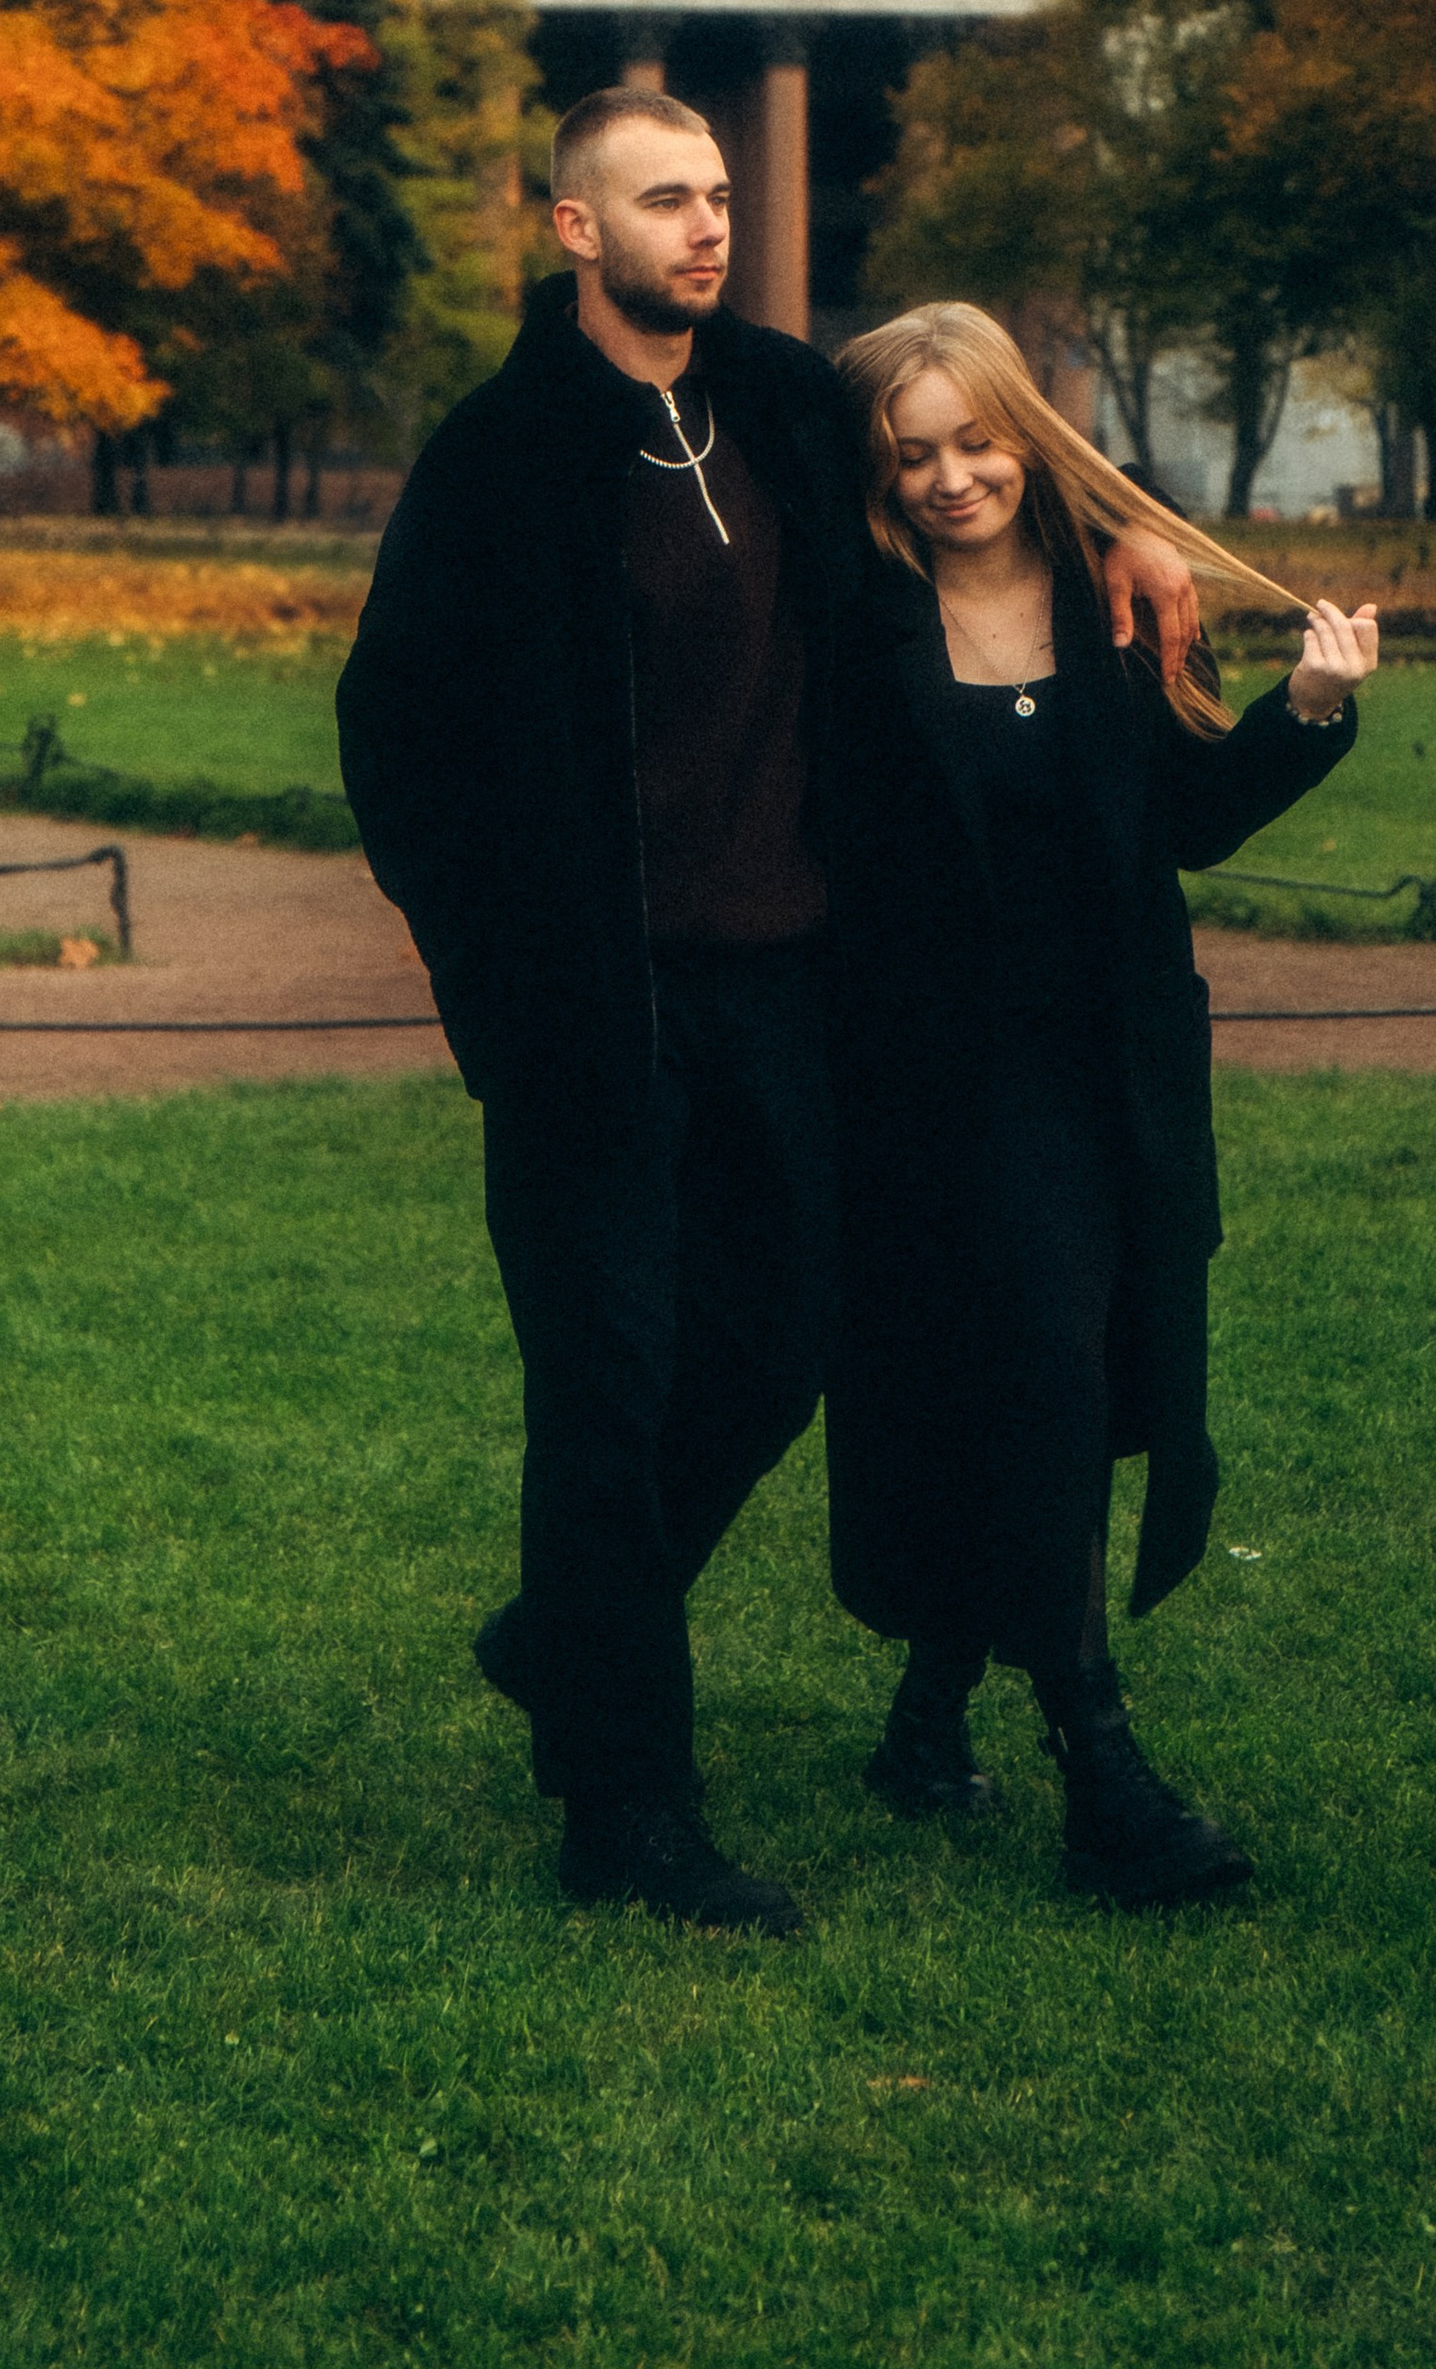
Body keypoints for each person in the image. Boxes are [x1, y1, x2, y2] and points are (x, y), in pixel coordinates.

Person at [335, 93, 1201, 1936]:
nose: (707, 227)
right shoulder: (502, 459)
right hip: (597, 1022)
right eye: (666, 201)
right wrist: (499, 987)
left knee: (780, 1348)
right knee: (609, 1386)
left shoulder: (785, 405)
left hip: (793, 988)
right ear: (577, 231)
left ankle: (570, 1631)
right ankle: (626, 1817)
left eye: (720, 196)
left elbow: (968, 435)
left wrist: (1130, 532)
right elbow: (393, 740)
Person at [826, 303, 1376, 1908]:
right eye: (912, 453)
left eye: (978, 441)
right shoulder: (851, 612)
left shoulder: (1113, 601)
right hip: (925, 1086)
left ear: (1030, 435)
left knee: (1050, 1379)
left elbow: (1187, 822)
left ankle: (929, 1721)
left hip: (1106, 1072)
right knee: (1037, 1379)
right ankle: (1099, 1763)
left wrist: (1312, 709)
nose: (949, 478)